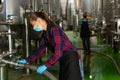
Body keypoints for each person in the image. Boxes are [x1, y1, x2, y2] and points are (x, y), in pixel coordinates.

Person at [16, 11, 82, 80]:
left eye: (33, 25)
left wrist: (46, 65)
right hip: (63, 60)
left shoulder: (54, 29)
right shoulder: (45, 34)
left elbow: (58, 53)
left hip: (71, 59)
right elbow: (40, 51)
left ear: (38, 20)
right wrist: (27, 60)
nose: (34, 27)